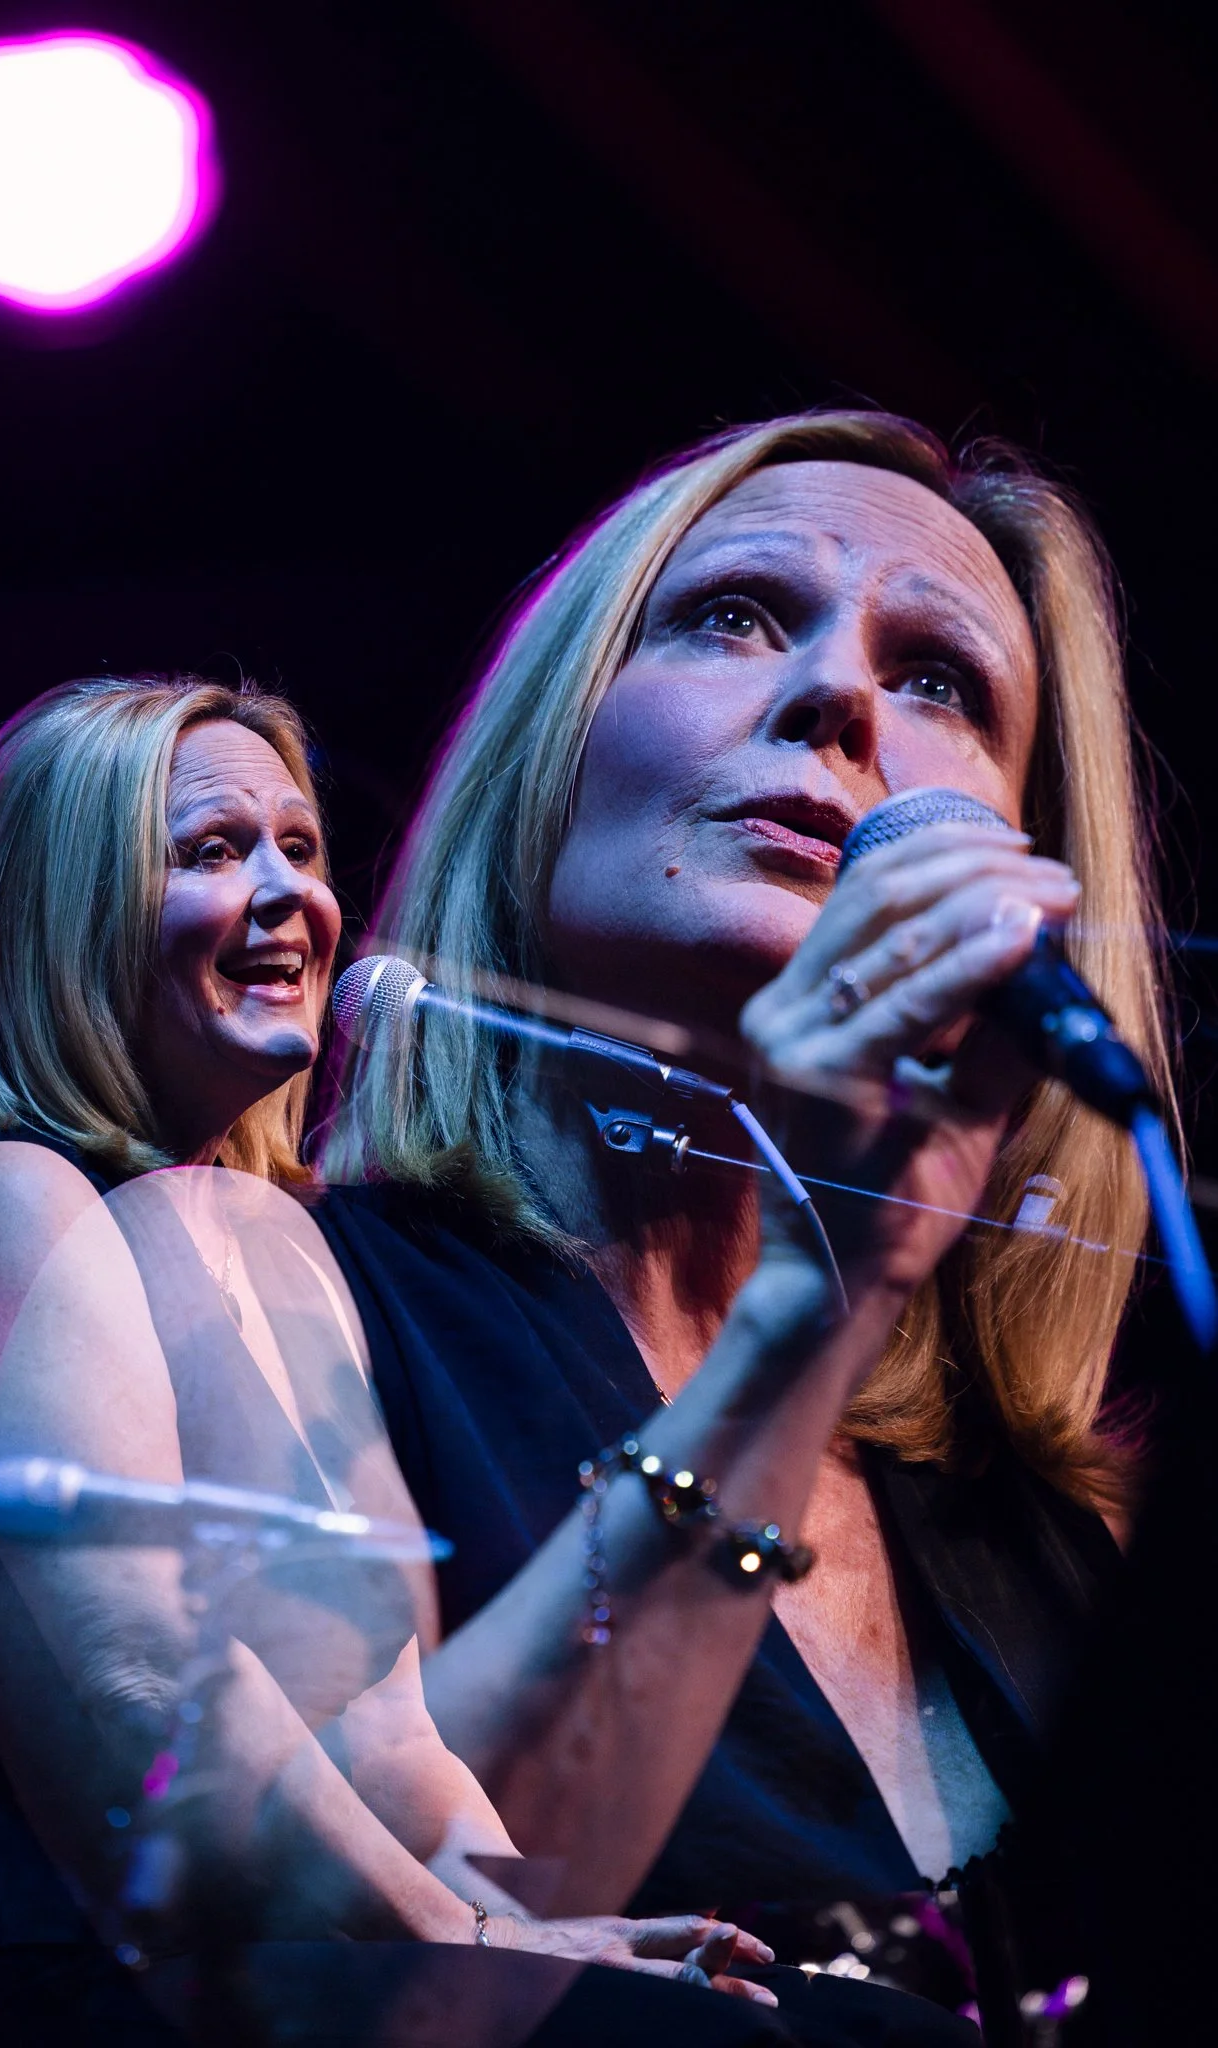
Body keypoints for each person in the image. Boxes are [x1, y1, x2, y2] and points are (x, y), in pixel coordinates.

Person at [315, 411, 1166, 2028]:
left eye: (939, 683)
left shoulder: (1063, 1546)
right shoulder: (275, 1295)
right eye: (732, 614)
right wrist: (806, 1312)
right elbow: (395, 1967)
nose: (838, 697)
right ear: (554, 740)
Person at [0, 676, 782, 2045]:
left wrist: (540, 1934)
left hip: (299, 1980)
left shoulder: (276, 1248)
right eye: (211, 849)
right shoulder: (0, 1200)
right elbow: (138, 1657)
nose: (287, 893)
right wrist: (473, 1948)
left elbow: (383, 1725)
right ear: (72, 913)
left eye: (299, 847)